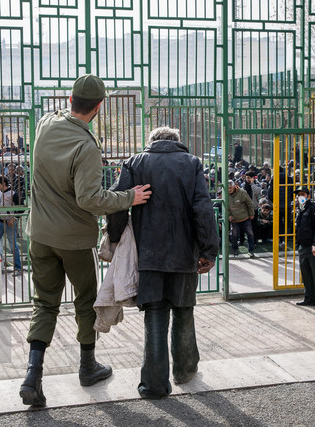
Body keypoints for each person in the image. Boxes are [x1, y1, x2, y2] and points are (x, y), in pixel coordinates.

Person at [20, 73, 152, 407]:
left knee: (45, 301)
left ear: (69, 100)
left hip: (39, 236)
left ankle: (32, 376)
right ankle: (87, 366)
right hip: (74, 240)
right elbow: (90, 199)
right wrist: (128, 198)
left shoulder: (44, 125)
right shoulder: (86, 146)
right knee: (84, 300)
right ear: (98, 107)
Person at [107, 126, 219, 399]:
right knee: (184, 311)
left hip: (148, 255)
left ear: (151, 142)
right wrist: (208, 250)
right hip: (184, 254)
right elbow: (203, 208)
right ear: (176, 142)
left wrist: (114, 237)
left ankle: (155, 385)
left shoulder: (134, 163)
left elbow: (117, 201)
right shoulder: (191, 163)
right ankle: (185, 370)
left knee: (155, 314)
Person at [294, 186, 315, 313]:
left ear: (308, 196)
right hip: (303, 247)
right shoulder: (300, 209)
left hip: (313, 247)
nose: (300, 197)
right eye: (298, 195)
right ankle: (308, 299)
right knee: (306, 275)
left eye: (302, 194)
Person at [0, 176, 22, 275]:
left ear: (4, 183)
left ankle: (18, 268)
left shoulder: (13, 193)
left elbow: (21, 207)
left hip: (10, 223)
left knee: (13, 246)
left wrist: (14, 218)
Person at [227, 180, 256, 256]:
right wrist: (228, 216)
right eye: (228, 188)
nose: (229, 190)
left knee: (250, 233)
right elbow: (225, 208)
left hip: (245, 217)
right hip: (234, 219)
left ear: (234, 187)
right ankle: (235, 249)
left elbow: (249, 203)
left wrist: (251, 214)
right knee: (234, 235)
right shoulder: (225, 194)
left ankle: (251, 250)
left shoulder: (242, 192)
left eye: (230, 188)